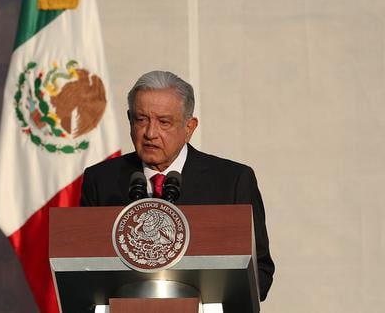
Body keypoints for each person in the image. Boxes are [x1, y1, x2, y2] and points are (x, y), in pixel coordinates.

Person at [80, 70, 275, 301]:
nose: (150, 133)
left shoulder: (232, 180)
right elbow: (83, 267)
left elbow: (260, 273)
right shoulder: (101, 180)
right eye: (141, 119)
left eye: (164, 122)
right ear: (130, 120)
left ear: (189, 127)